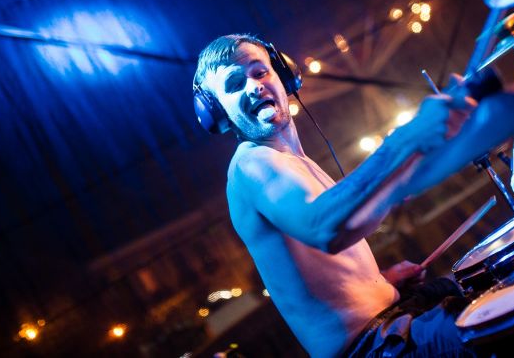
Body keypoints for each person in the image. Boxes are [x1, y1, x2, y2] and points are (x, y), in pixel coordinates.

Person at [193, 33, 477, 357]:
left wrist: (381, 284)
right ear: (218, 113)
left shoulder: (294, 162)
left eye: (260, 72)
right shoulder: (250, 164)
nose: (254, 86)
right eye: (234, 84)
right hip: (373, 348)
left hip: (389, 324)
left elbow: (350, 225)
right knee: (498, 323)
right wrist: (408, 139)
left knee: (474, 296)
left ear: (284, 77)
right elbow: (325, 228)